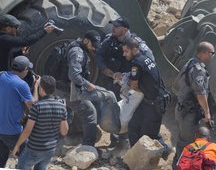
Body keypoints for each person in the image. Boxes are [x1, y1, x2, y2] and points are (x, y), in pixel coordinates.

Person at [96, 16, 154, 148]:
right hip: (114, 83)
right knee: (114, 111)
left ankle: (125, 143)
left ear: (125, 29)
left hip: (132, 86)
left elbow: (149, 61)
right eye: (113, 26)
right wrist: (105, 69)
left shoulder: (136, 44)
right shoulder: (111, 39)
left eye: (116, 26)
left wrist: (137, 81)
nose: (113, 28)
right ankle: (115, 140)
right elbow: (99, 54)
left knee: (129, 114)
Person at [122, 38, 170, 157]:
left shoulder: (137, 63)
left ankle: (164, 152)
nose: (124, 54)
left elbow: (133, 86)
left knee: (148, 135)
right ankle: (135, 155)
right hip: (148, 102)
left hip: (155, 104)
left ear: (134, 50)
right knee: (133, 126)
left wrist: (124, 82)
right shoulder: (145, 58)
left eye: (126, 51)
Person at [172, 41, 214, 168]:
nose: (213, 56)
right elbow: (201, 94)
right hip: (189, 113)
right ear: (203, 53)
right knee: (187, 144)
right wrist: (207, 113)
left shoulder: (190, 62)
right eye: (212, 53)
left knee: (182, 141)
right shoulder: (198, 70)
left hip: (182, 109)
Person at [12, 76, 68, 170]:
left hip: (34, 149)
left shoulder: (37, 107)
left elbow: (27, 131)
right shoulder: (62, 107)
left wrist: (17, 145)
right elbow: (64, 131)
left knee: (22, 167)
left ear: (41, 89)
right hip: (50, 149)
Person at [0, 56, 38, 167]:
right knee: (26, 157)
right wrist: (36, 86)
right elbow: (33, 107)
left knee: (1, 159)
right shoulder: (21, 85)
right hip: (12, 131)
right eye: (28, 69)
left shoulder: (1, 74)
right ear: (25, 70)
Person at [67, 30, 101, 146]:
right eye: (92, 45)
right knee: (90, 112)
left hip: (62, 88)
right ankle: (88, 146)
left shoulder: (76, 46)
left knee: (66, 114)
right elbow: (74, 75)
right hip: (68, 89)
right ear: (86, 40)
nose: (94, 48)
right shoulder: (78, 52)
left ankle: (56, 144)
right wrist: (87, 84)